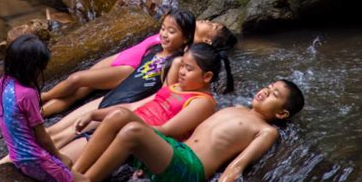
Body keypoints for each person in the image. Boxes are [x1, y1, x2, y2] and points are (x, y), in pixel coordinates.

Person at [74, 80, 305, 182]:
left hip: (189, 171)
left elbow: (237, 166)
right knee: (120, 116)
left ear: (282, 114)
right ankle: (75, 171)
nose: (266, 91)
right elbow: (194, 135)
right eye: (269, 87)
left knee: (132, 131)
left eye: (274, 94)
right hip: (176, 153)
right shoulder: (237, 107)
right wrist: (153, 155)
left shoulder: (266, 131)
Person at [0, 34, 145, 182]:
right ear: (30, 67)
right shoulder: (27, 94)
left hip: (20, 155)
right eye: (41, 67)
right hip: (34, 159)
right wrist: (60, 157)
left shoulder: (3, 83)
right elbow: (42, 137)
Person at [62, 43, 234, 169]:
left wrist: (122, 121)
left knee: (69, 169)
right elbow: (131, 107)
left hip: (134, 144)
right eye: (181, 66)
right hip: (117, 125)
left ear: (207, 77)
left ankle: (77, 176)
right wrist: (94, 114)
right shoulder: (173, 87)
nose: (181, 71)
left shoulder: (202, 102)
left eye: (188, 69)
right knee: (58, 160)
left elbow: (166, 131)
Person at [41, 13, 235, 117]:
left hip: (132, 70)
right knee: (80, 88)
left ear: (208, 41)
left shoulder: (187, 50)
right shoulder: (179, 26)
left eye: (214, 26)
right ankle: (40, 109)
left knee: (79, 81)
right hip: (129, 56)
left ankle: (41, 102)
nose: (210, 21)